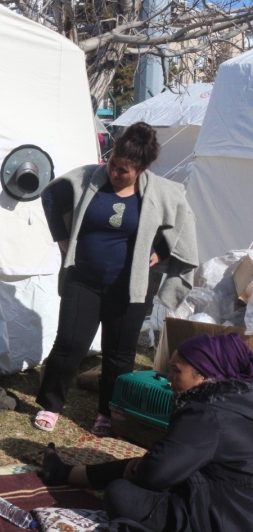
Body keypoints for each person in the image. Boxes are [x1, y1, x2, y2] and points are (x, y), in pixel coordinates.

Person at [34, 122, 197, 436]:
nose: (115, 173)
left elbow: (181, 227)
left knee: (119, 353)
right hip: (84, 278)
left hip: (130, 286)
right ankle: (51, 404)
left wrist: (160, 252)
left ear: (142, 168)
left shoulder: (160, 192)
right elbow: (51, 196)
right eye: (113, 164)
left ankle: (107, 412)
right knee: (70, 344)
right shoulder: (88, 179)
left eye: (124, 170)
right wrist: (63, 241)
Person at [42, 333, 253, 532]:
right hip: (240, 507)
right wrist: (149, 464)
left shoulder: (205, 411)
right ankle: (63, 473)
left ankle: (63, 474)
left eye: (176, 370)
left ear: (204, 375)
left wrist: (149, 467)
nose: (169, 379)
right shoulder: (239, 399)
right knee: (147, 463)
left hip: (228, 524)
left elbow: (155, 475)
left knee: (121, 492)